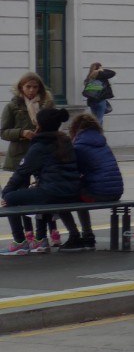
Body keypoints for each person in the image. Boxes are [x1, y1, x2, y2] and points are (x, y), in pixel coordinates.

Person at [0, 108, 82, 255]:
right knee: (39, 192)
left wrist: (6, 194)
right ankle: (41, 239)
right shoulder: (65, 141)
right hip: (72, 192)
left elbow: (22, 172)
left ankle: (19, 242)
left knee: (12, 198)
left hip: (54, 193)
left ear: (40, 125)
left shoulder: (40, 145)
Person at [1, 71, 61, 245]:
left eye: (35, 87)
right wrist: (21, 133)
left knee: (43, 193)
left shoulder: (46, 104)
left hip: (42, 154)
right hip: (20, 154)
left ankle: (49, 231)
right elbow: (3, 131)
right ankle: (27, 232)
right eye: (28, 87)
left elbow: (54, 125)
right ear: (21, 87)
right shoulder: (13, 106)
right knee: (21, 194)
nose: (31, 90)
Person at [59, 112, 124, 251]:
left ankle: (75, 236)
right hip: (116, 191)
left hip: (100, 192)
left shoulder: (80, 146)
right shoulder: (103, 143)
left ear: (74, 129)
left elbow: (74, 172)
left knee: (61, 198)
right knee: (81, 195)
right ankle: (88, 236)